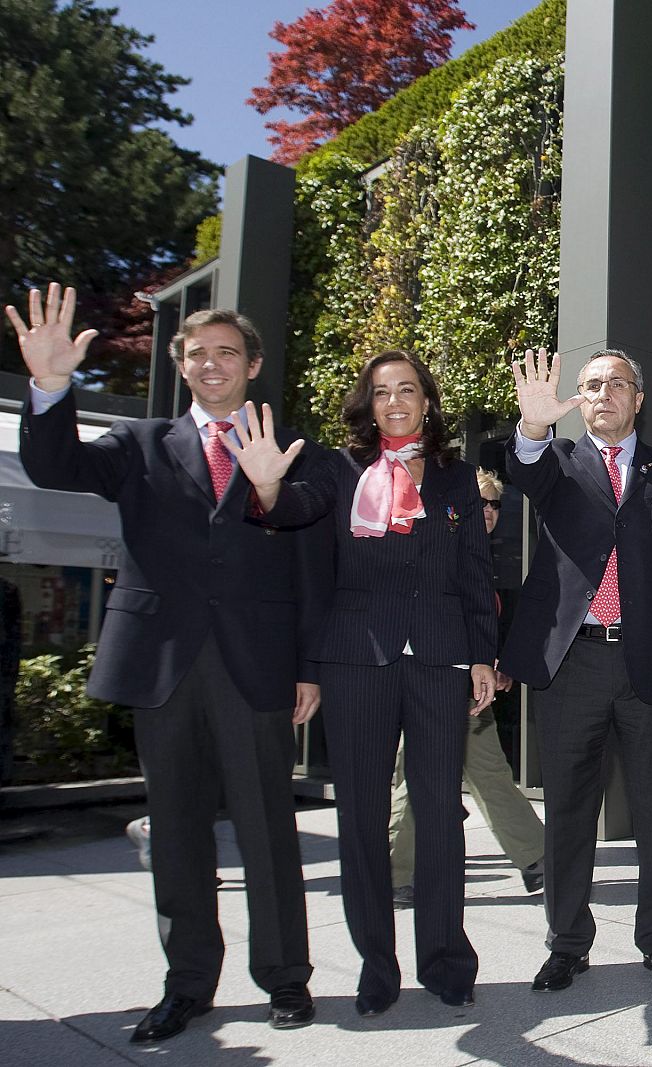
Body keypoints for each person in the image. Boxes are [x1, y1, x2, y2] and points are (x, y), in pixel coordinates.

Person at [11, 285, 323, 1043]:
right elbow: (53, 465)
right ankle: (188, 984)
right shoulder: (139, 444)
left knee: (268, 829)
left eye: (225, 352)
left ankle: (286, 979)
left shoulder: (291, 449)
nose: (211, 364)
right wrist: (51, 386)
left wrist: (309, 666)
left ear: (251, 365)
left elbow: (311, 562)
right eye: (196, 354)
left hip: (256, 664)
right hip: (163, 664)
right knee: (177, 831)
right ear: (182, 367)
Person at [225, 350, 496, 1018]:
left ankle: (446, 960)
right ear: (366, 404)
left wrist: (484, 656)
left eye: (408, 389)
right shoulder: (333, 468)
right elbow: (289, 513)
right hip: (354, 659)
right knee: (362, 821)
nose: (396, 402)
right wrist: (262, 489)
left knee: (440, 816)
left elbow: (473, 572)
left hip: (439, 659)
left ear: (428, 401)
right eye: (382, 392)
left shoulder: (458, 478)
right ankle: (377, 966)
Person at [498, 348, 652, 992]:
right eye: (590, 386)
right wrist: (534, 428)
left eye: (617, 385)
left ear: (637, 400)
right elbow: (524, 470)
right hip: (573, 661)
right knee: (568, 811)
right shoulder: (558, 463)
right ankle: (567, 942)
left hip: (651, 662)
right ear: (579, 400)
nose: (602, 395)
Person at [389, 469, 546, 906]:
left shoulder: (481, 559)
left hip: (469, 688)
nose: (489, 512)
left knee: (477, 772)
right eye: (479, 505)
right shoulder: (441, 551)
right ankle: (395, 873)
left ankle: (538, 860)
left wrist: (494, 665)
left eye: (495, 504)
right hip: (434, 678)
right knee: (422, 775)